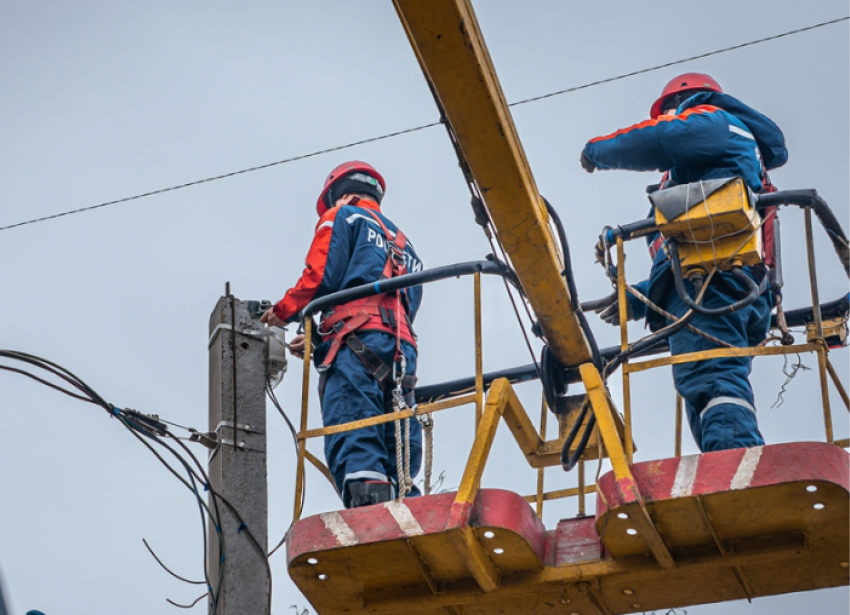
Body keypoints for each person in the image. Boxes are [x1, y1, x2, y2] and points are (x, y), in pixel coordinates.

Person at [579, 73, 788, 453]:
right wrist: (642, 297)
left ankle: (734, 466)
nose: (670, 118)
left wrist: (597, 150)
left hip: (712, 280)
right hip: (721, 282)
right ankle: (724, 459)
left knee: (712, 378)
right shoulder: (709, 170)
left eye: (671, 111)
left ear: (686, 102)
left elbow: (661, 137)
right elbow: (676, 253)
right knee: (701, 385)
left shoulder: (714, 120)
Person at [261, 161, 424, 507]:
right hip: (402, 349)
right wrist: (324, 336)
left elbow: (320, 277)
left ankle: (369, 509)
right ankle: (409, 503)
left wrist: (279, 313)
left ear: (342, 194)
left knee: (354, 424)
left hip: (356, 345)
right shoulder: (406, 246)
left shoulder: (343, 216)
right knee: (398, 431)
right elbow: (402, 306)